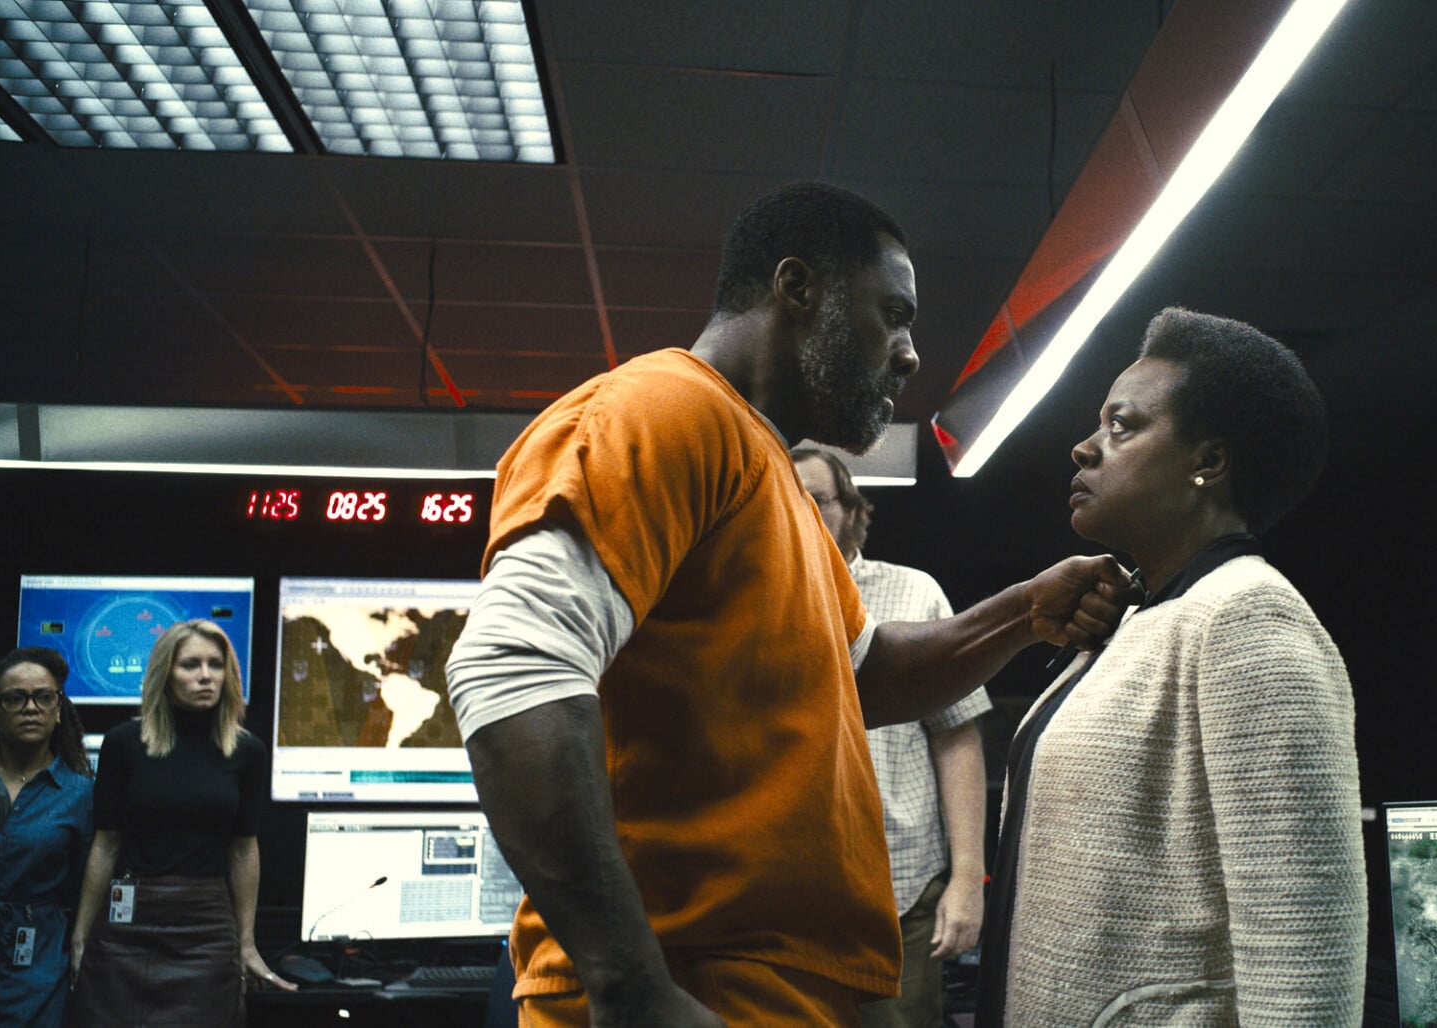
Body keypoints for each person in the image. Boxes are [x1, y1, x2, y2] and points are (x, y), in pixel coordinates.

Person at [444, 180, 1136, 1028]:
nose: (911, 355)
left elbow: (866, 676)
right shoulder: (662, 409)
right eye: (894, 315)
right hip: (691, 987)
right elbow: (509, 670)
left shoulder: (770, 476)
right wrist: (631, 988)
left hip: (783, 986)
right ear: (798, 287)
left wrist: (1022, 613)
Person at [977, 307, 1367, 1026]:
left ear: (1208, 463)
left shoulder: (1249, 618)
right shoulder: (1141, 618)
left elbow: (1302, 952)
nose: (1084, 448)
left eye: (1121, 426)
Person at [793, 447, 989, 1028]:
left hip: (899, 889)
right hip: (782, 899)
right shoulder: (745, 595)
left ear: (853, 510)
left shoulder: (914, 593)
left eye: (818, 499)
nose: (802, 510)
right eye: (787, 498)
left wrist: (966, 879)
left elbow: (957, 739)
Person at [67, 620, 294, 1027]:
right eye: (190, 664)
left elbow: (243, 849)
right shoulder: (123, 742)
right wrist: (81, 935)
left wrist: (247, 942)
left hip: (206, 926)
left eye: (215, 664)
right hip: (127, 923)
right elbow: (106, 843)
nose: (206, 676)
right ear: (165, 674)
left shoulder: (247, 751)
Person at [0, 648, 93, 1028]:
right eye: (14, 698)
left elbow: (86, 885)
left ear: (58, 710)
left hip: (40, 960)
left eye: (43, 697)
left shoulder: (79, 794)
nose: (30, 708)